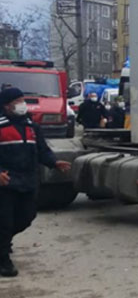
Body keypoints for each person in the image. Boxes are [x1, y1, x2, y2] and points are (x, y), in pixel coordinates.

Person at [0, 87, 71, 277]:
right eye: (18, 101)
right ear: (7, 105)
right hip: (6, 183)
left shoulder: (31, 126)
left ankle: (3, 242)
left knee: (26, 217)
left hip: (28, 181)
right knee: (4, 221)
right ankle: (3, 260)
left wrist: (54, 162)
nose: (23, 104)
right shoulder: (1, 126)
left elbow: (42, 150)